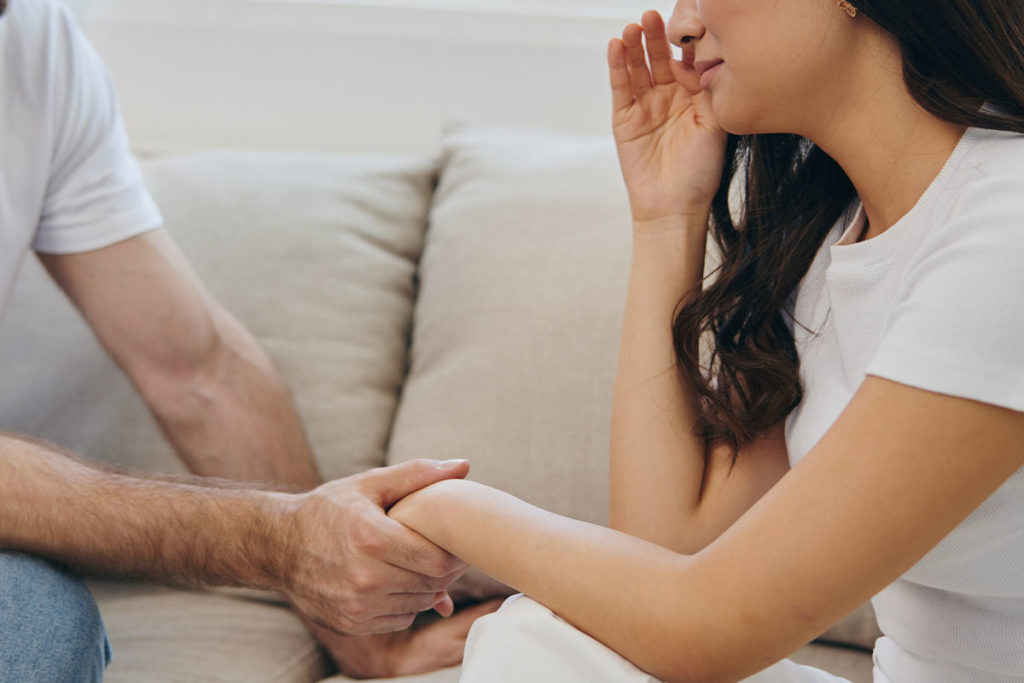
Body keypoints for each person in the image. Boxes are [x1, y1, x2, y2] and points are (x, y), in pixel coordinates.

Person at [382, 0, 1024, 681]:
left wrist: (440, 506)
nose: (681, 25)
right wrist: (665, 215)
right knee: (546, 640)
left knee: (535, 644)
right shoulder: (834, 238)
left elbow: (702, 628)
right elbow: (668, 552)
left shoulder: (1005, 230)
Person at [0, 0, 497, 680]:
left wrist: (348, 619)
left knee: (41, 629)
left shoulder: (34, 43)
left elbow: (196, 369)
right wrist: (274, 539)